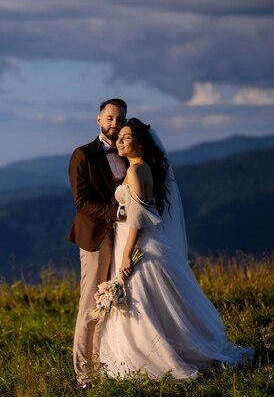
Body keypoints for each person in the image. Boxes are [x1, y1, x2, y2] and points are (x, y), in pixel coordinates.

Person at [97, 118, 254, 379]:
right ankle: (174, 346)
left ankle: (153, 357)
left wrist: (126, 254)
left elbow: (137, 217)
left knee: (141, 302)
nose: (120, 141)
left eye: (126, 138)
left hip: (138, 244)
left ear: (140, 144)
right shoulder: (143, 168)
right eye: (120, 137)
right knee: (156, 302)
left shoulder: (135, 172)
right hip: (148, 242)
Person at [68, 98, 128, 387]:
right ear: (99, 119)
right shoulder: (83, 154)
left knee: (111, 301)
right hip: (95, 236)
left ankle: (103, 362)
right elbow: (81, 202)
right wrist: (116, 213)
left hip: (123, 237)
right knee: (90, 303)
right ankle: (83, 374)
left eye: (119, 119)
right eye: (110, 118)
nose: (115, 124)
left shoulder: (128, 152)